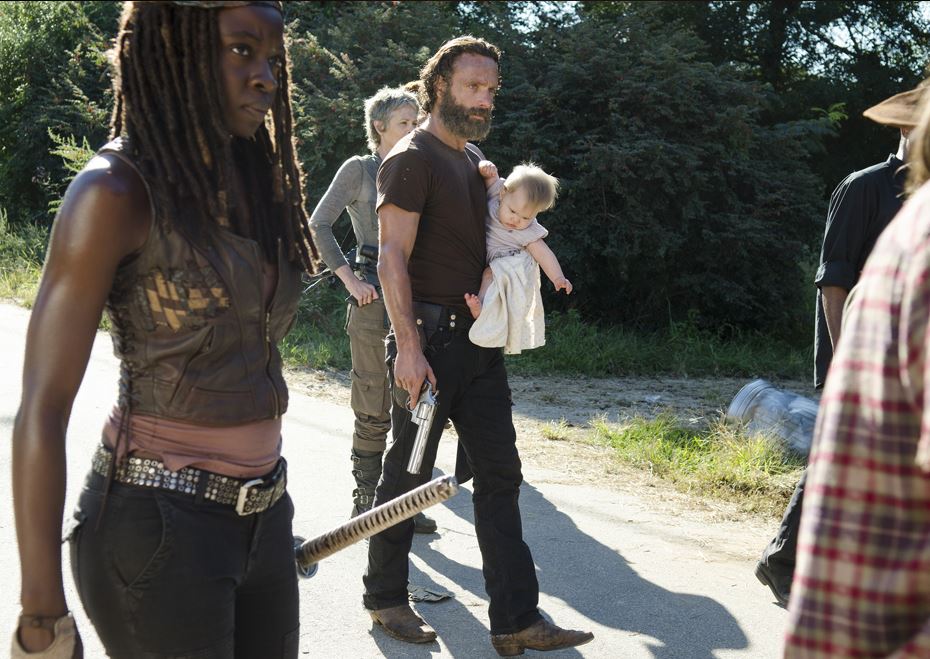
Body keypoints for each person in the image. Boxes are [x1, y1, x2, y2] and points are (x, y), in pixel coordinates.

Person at [11, 2, 317, 657]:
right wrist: (41, 612)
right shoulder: (115, 191)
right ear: (177, 49)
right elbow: (42, 405)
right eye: (242, 50)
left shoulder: (258, 180)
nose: (266, 77)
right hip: (156, 525)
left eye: (273, 58)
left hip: (265, 516)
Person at [361, 35, 594, 656]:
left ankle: (515, 619)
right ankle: (385, 596)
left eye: (491, 89)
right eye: (472, 86)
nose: (484, 99)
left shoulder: (473, 160)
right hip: (429, 345)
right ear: (439, 85)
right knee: (408, 474)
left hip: (478, 343)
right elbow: (390, 257)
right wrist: (409, 348)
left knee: (499, 475)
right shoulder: (410, 158)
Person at [754, 83, 922, 608]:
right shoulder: (865, 187)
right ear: (907, 126)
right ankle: (783, 562)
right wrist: (847, 359)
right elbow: (833, 280)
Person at [308, 86, 437, 534]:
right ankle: (366, 501)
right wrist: (349, 279)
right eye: (405, 122)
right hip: (371, 301)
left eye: (417, 122)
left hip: (418, 301)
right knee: (371, 401)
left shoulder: (424, 166)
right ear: (379, 126)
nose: (414, 129)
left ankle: (402, 502)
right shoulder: (360, 170)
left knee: (414, 400)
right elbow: (319, 223)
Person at [464, 160, 571, 354]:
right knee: (491, 281)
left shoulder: (528, 231)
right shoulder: (496, 192)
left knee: (490, 276)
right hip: (489, 258)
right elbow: (489, 175)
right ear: (503, 193)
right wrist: (485, 167)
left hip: (510, 263)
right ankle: (488, 315)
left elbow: (544, 254)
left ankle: (481, 310)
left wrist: (558, 277)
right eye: (513, 211)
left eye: (526, 217)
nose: (516, 220)